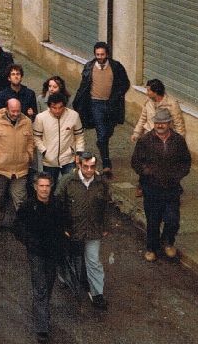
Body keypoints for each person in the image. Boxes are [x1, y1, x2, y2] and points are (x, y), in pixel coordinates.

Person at [131, 108, 191, 262]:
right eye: (157, 123)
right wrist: (147, 172)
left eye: (163, 123)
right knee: (153, 220)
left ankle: (168, 242)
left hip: (171, 188)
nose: (160, 126)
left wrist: (177, 175)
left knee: (172, 220)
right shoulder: (145, 141)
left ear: (169, 123)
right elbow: (135, 162)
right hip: (152, 188)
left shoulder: (178, 141)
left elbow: (186, 162)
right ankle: (151, 248)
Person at [56, 152, 110, 310]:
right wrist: (63, 227)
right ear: (79, 165)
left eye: (92, 167)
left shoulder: (101, 183)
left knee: (93, 260)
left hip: (93, 230)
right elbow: (59, 204)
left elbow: (106, 206)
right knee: (70, 257)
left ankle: (97, 293)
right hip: (73, 229)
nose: (88, 170)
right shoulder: (67, 181)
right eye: (85, 166)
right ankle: (66, 278)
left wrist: (105, 226)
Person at [15, 173, 64, 344]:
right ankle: (42, 326)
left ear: (51, 187)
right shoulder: (28, 206)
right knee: (40, 286)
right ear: (35, 187)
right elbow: (18, 226)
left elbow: (64, 224)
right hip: (36, 252)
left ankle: (39, 307)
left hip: (52, 252)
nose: (44, 189)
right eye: (41, 186)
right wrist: (29, 241)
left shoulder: (57, 205)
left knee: (48, 284)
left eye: (47, 186)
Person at [72, 41, 131, 177]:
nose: (100, 57)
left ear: (107, 54)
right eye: (97, 54)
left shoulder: (116, 67)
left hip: (111, 105)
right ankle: (106, 164)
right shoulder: (89, 67)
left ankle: (102, 144)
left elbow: (125, 84)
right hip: (95, 104)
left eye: (102, 54)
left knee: (108, 131)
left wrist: (116, 96)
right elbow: (84, 86)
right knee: (102, 133)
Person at [0, 98, 34, 229]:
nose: (16, 114)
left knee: (20, 199)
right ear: (6, 109)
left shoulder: (27, 122)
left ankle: (21, 225)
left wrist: (28, 156)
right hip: (0, 169)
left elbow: (30, 141)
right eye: (13, 111)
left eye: (18, 111)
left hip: (20, 170)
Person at [33, 93, 84, 185]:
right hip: (49, 161)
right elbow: (36, 137)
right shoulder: (41, 118)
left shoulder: (74, 116)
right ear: (49, 106)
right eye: (54, 108)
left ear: (64, 106)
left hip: (69, 159)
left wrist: (79, 152)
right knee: (50, 187)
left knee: (69, 186)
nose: (57, 111)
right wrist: (44, 151)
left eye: (60, 107)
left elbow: (79, 136)